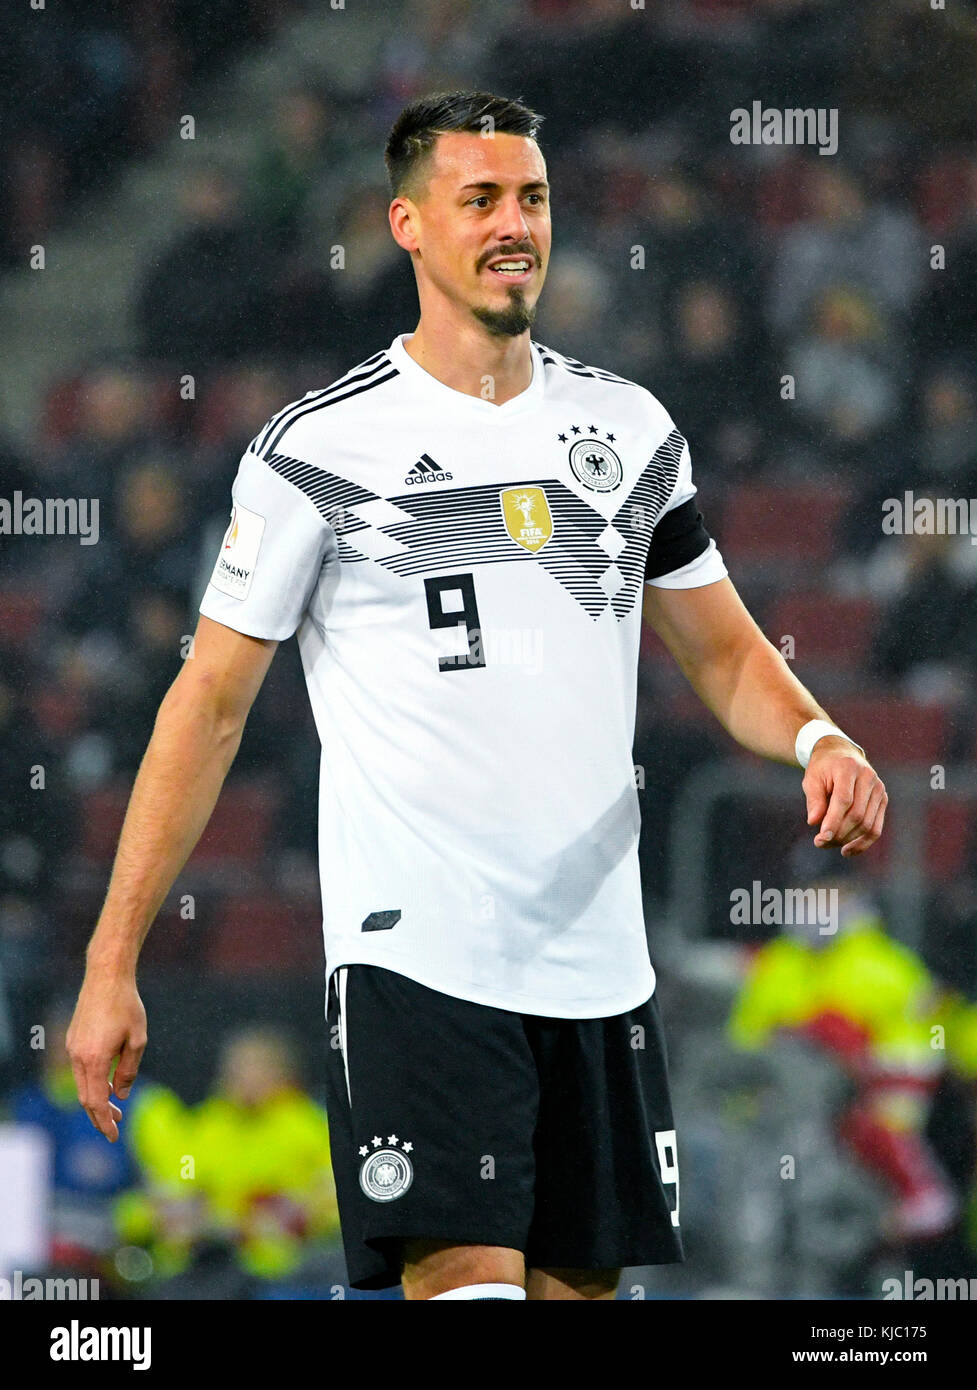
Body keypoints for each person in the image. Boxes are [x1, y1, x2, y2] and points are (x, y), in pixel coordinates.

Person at [67, 89, 887, 1302]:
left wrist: (816, 734)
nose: (515, 224)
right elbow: (210, 705)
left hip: (599, 964)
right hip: (419, 956)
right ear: (406, 223)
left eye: (533, 198)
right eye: (481, 199)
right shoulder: (320, 449)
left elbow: (719, 655)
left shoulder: (628, 427)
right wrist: (111, 955)